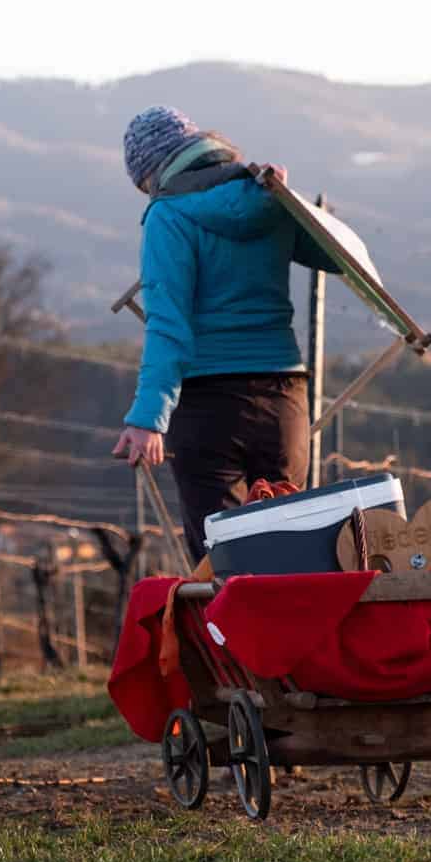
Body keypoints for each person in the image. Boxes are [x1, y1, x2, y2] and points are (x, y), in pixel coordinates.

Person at [111, 105, 340, 560]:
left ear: (155, 173)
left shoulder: (168, 216)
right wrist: (289, 202)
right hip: (284, 400)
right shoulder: (269, 199)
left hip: (208, 407)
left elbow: (168, 326)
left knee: (224, 567)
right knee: (293, 560)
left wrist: (147, 418)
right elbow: (336, 258)